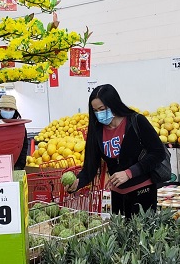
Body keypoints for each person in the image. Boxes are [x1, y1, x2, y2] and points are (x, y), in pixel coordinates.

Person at [68, 84, 166, 218]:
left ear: (113, 104)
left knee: (143, 235)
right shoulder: (96, 131)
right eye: (95, 110)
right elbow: (91, 166)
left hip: (143, 191)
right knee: (121, 236)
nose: (99, 114)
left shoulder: (136, 121)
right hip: (117, 194)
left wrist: (129, 173)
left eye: (102, 109)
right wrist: (77, 182)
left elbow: (158, 152)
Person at [0, 95, 28, 170]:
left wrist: (20, 165)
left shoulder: (19, 126)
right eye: (5, 108)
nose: (8, 111)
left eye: (11, 109)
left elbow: (24, 145)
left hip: (15, 164)